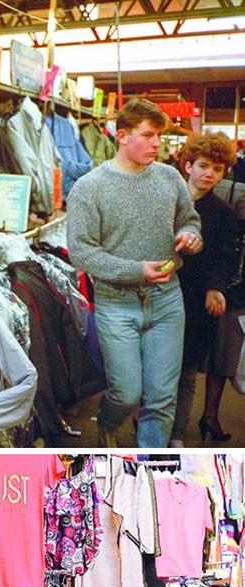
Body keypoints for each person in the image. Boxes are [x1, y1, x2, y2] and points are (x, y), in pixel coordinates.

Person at [66, 98, 203, 448]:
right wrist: (136, 270)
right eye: (148, 135)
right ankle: (108, 423)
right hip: (116, 301)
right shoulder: (89, 188)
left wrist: (190, 236)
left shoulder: (169, 178)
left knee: (162, 396)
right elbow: (81, 251)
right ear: (123, 135)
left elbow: (189, 220)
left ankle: (150, 465)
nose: (157, 143)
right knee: (126, 392)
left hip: (167, 298)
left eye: (159, 136)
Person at [170, 132, 240, 446]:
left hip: (196, 301)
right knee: (155, 371)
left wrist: (215, 288)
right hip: (158, 293)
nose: (209, 174)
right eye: (203, 166)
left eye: (217, 169)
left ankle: (176, 433)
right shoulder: (165, 202)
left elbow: (226, 258)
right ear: (188, 166)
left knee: (187, 374)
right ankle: (149, 419)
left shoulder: (225, 214)